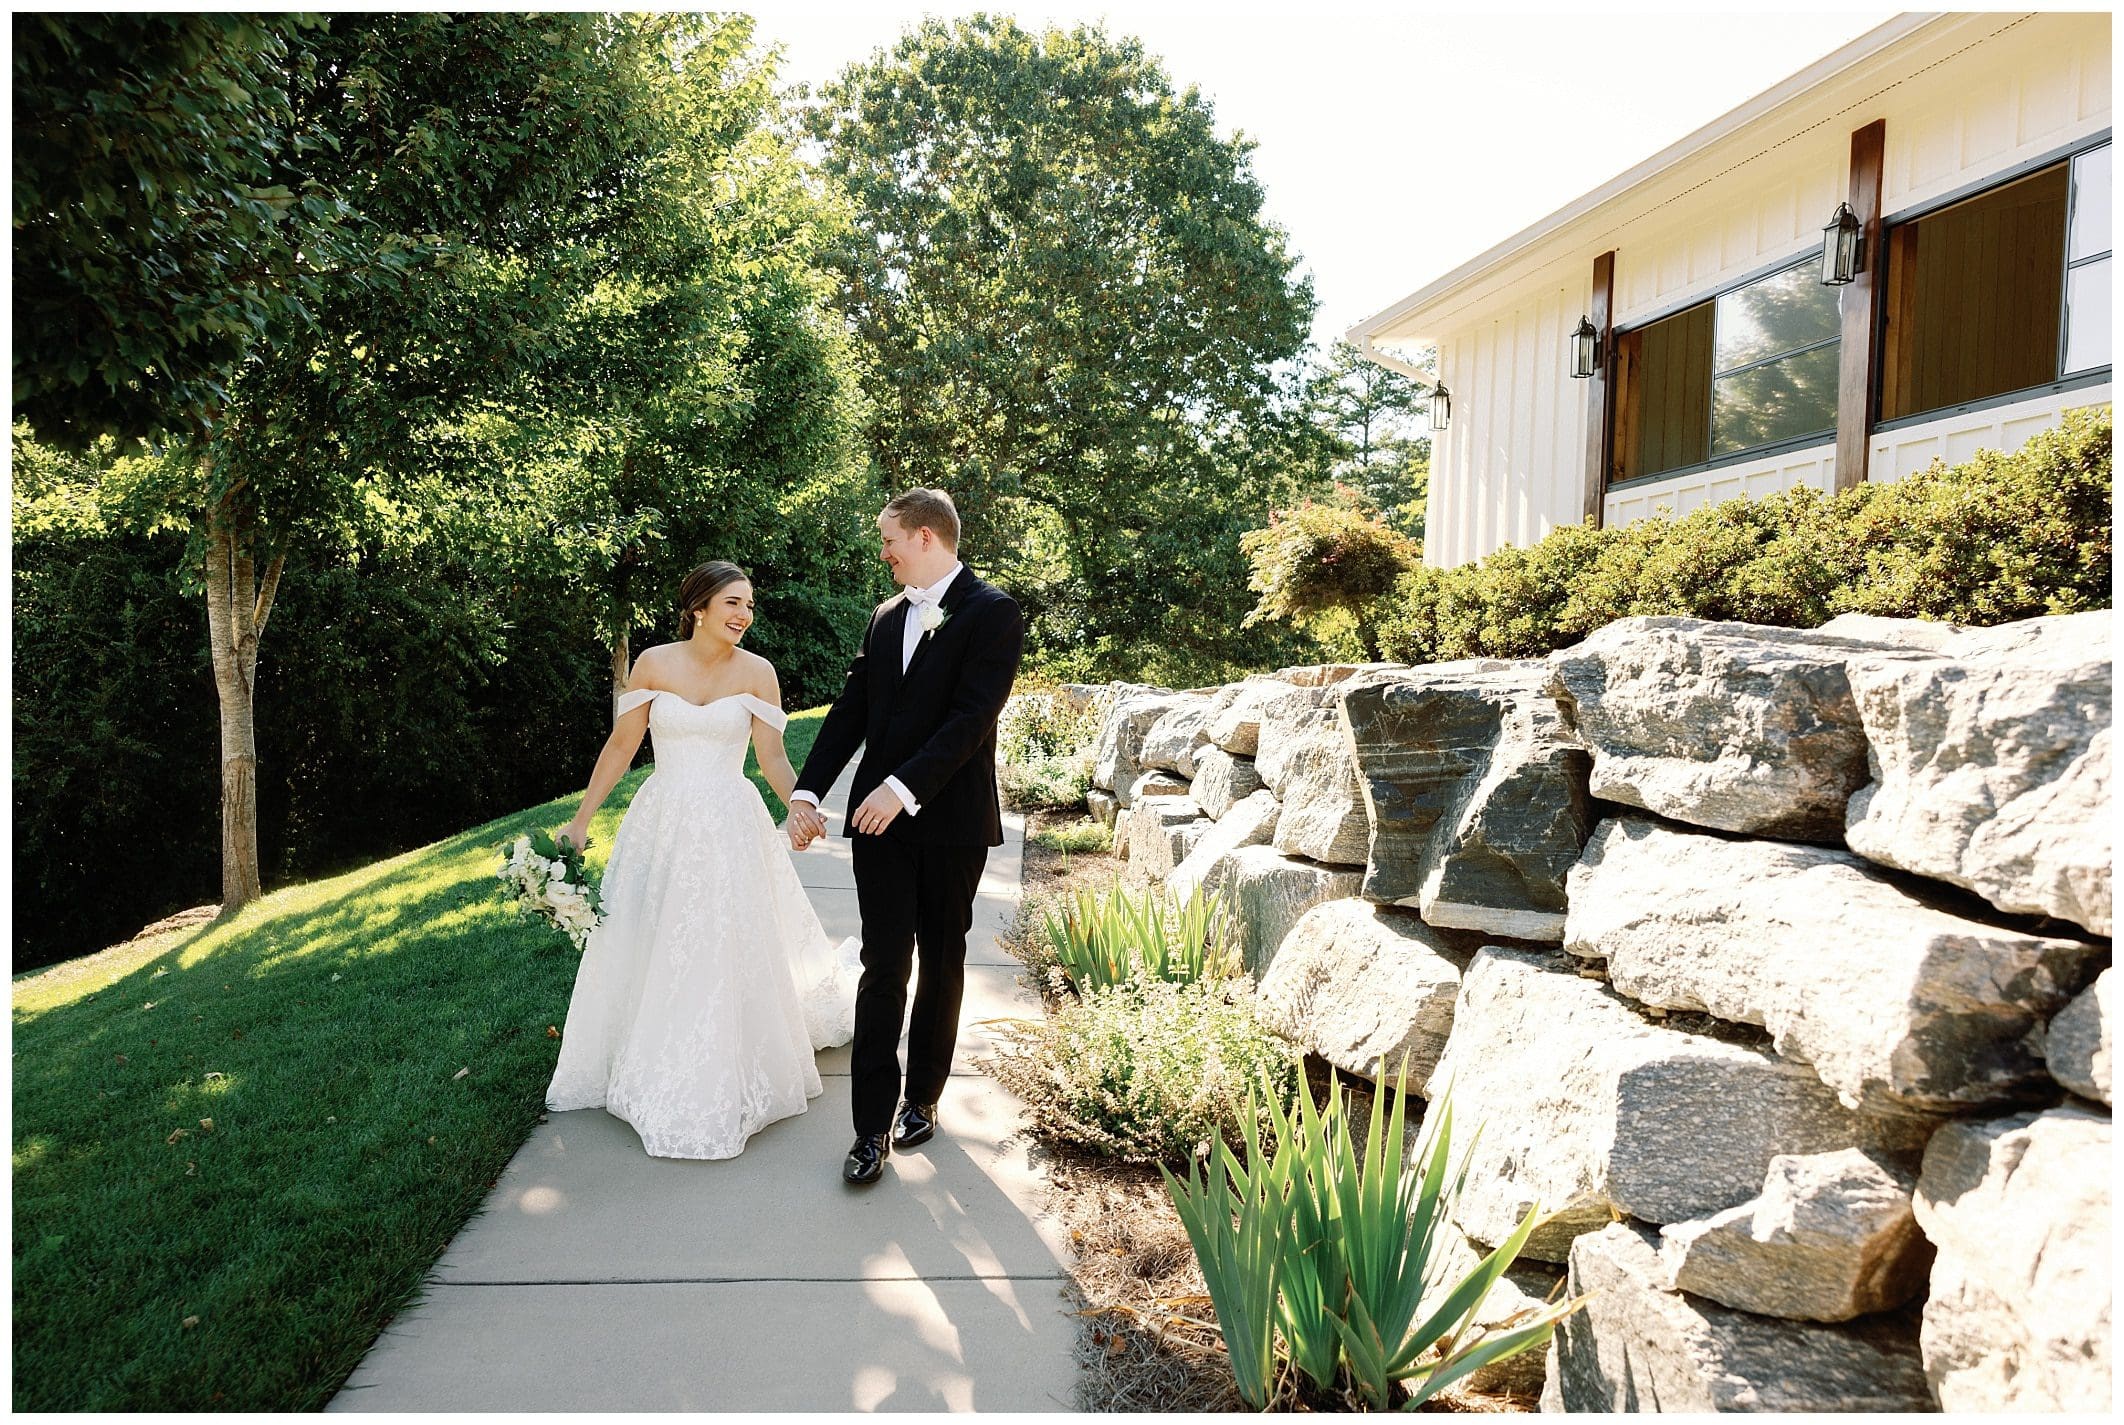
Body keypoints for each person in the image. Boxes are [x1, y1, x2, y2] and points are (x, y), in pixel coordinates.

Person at [544, 561, 859, 1160]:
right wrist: (582, 819)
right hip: (662, 819)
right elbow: (622, 744)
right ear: (699, 608)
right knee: (655, 933)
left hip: (729, 822)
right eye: (732, 604)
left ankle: (723, 1054)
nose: (744, 615)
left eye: (749, 606)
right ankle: (649, 1047)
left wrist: (799, 806)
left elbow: (770, 758)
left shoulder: (759, 673)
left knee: (721, 938)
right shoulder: (655, 663)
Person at [786, 488, 1025, 1186]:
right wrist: (809, 789)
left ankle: (922, 1095)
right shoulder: (885, 618)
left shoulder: (994, 612)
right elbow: (851, 710)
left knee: (942, 957)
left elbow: (972, 718)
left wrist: (905, 786)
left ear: (925, 536)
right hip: (876, 828)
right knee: (883, 962)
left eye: (890, 539)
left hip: (951, 824)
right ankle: (868, 1129)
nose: (883, 552)